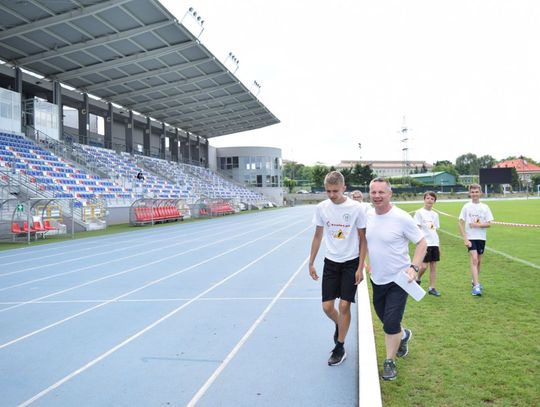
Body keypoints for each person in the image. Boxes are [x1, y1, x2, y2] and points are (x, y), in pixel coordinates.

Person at [365, 177, 427, 381]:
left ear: (390, 194)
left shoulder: (401, 218)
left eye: (381, 192)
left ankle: (389, 362)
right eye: (373, 192)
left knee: (391, 323)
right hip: (377, 279)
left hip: (399, 280)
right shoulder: (367, 216)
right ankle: (404, 335)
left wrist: (414, 267)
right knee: (386, 320)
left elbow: (422, 243)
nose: (377, 196)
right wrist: (365, 262)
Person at [309, 171, 367, 366]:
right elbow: (317, 236)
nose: (332, 195)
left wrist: (360, 267)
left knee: (344, 306)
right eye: (328, 191)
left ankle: (340, 346)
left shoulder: (357, 208)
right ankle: (340, 324)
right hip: (331, 262)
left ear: (344, 188)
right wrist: (311, 262)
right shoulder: (321, 208)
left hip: (351, 262)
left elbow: (363, 239)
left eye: (335, 191)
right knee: (327, 307)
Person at [458, 183, 494, 296]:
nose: (474, 194)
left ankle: (474, 281)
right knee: (474, 259)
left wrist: (477, 225)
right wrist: (465, 239)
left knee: (479, 261)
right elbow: (460, 223)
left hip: (481, 237)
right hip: (470, 237)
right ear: (470, 193)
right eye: (472, 192)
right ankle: (476, 286)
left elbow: (489, 224)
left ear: (480, 193)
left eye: (476, 192)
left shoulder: (485, 207)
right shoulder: (466, 206)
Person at [414, 191, 441, 297]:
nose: (430, 200)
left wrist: (438, 245)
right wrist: (420, 243)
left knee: (433, 266)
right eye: (428, 198)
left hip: (434, 243)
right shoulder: (419, 213)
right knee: (424, 266)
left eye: (432, 199)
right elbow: (417, 229)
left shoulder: (435, 215)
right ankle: (418, 278)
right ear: (424, 199)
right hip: (425, 244)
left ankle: (432, 288)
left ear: (434, 201)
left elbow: (435, 230)